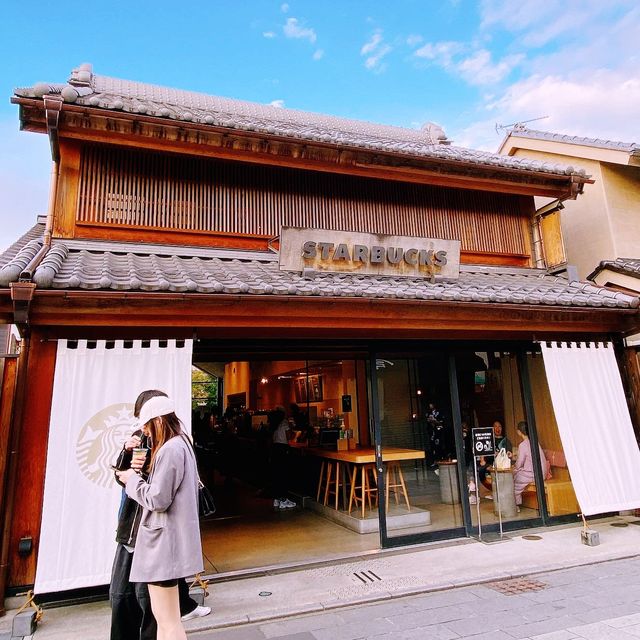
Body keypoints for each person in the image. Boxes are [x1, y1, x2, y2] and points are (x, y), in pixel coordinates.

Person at [109, 390, 210, 640]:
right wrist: (127, 457)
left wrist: (133, 480)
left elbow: (158, 499)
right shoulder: (180, 443)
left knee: (167, 621)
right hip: (159, 543)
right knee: (164, 619)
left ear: (158, 420)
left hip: (161, 545)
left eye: (144, 423)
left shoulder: (170, 449)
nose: (142, 430)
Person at [513, 421, 549, 507]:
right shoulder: (535, 442)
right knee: (517, 473)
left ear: (519, 432)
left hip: (533, 474)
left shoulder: (522, 445)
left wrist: (514, 467)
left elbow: (519, 463)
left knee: (514, 479)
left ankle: (515, 505)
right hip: (542, 472)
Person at [269, 406, 296, 509]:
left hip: (275, 449)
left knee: (277, 474)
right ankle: (284, 500)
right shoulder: (284, 422)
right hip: (282, 449)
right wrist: (293, 431)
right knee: (284, 474)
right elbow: (289, 437)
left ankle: (277, 499)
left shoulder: (274, 423)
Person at [477, 420, 511, 491]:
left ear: (502, 428)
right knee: (482, 469)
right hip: (489, 463)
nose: (497, 428)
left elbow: (509, 454)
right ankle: (492, 490)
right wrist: (482, 461)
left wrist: (506, 454)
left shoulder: (505, 441)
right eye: (495, 426)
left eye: (499, 426)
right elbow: (482, 452)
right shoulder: (488, 439)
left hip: (501, 464)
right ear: (492, 428)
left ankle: (500, 490)